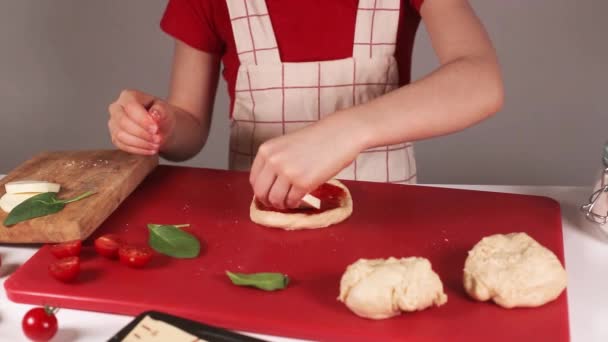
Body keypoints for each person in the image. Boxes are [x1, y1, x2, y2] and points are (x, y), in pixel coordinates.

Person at [107, 0, 503, 210]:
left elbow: (480, 80)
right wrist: (160, 125)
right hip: (264, 220)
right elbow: (189, 125)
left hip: (387, 218)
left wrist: (345, 131)